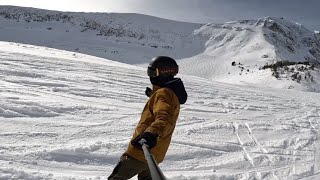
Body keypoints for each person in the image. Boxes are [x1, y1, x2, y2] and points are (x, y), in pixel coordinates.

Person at [108, 56, 188, 180]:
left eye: (153, 72)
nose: (150, 76)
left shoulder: (163, 94)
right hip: (153, 153)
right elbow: (163, 107)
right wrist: (153, 95)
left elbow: (164, 118)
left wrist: (151, 134)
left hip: (141, 150)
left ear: (162, 74)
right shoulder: (167, 93)